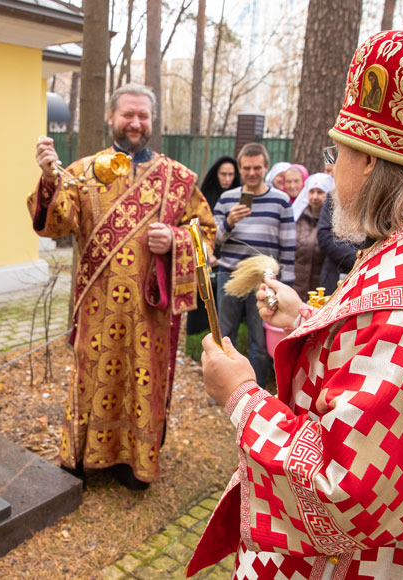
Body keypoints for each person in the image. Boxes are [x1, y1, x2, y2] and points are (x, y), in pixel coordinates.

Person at [188, 24, 403, 580]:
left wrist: (240, 397)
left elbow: (343, 494)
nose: (330, 167)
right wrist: (306, 318)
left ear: (371, 162)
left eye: (338, 153)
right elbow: (371, 361)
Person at [29, 84, 215, 490]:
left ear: (152, 121)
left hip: (150, 313)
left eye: (143, 116)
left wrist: (177, 241)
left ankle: (136, 464)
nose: (135, 123)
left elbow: (207, 235)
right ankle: (83, 457)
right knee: (91, 379)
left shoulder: (177, 179)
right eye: (128, 115)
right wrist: (48, 177)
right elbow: (54, 225)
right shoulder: (80, 173)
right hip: (97, 309)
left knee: (142, 382)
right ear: (111, 118)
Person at [212, 142, 296, 386]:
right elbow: (212, 239)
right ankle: (223, 386)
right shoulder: (227, 198)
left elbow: (288, 244)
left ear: (266, 168)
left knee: (259, 340)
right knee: (224, 334)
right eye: (246, 168)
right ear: (239, 168)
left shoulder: (281, 201)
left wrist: (285, 284)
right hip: (230, 275)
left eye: (257, 168)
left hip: (265, 280)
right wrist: (228, 222)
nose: (251, 173)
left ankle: (256, 392)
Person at [187, 156, 241, 335]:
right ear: (215, 174)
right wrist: (207, 252)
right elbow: (197, 227)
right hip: (207, 257)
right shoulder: (205, 197)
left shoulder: (239, 196)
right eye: (223, 174)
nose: (227, 179)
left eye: (231, 175)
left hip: (230, 259)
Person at [290, 172, 333, 298]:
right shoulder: (297, 219)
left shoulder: (333, 223)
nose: (315, 197)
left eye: (320, 192)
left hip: (320, 289)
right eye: (311, 192)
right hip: (296, 287)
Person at [316, 191, 358, 293]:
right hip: (335, 273)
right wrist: (357, 257)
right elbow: (325, 236)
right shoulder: (335, 194)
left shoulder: (377, 194)